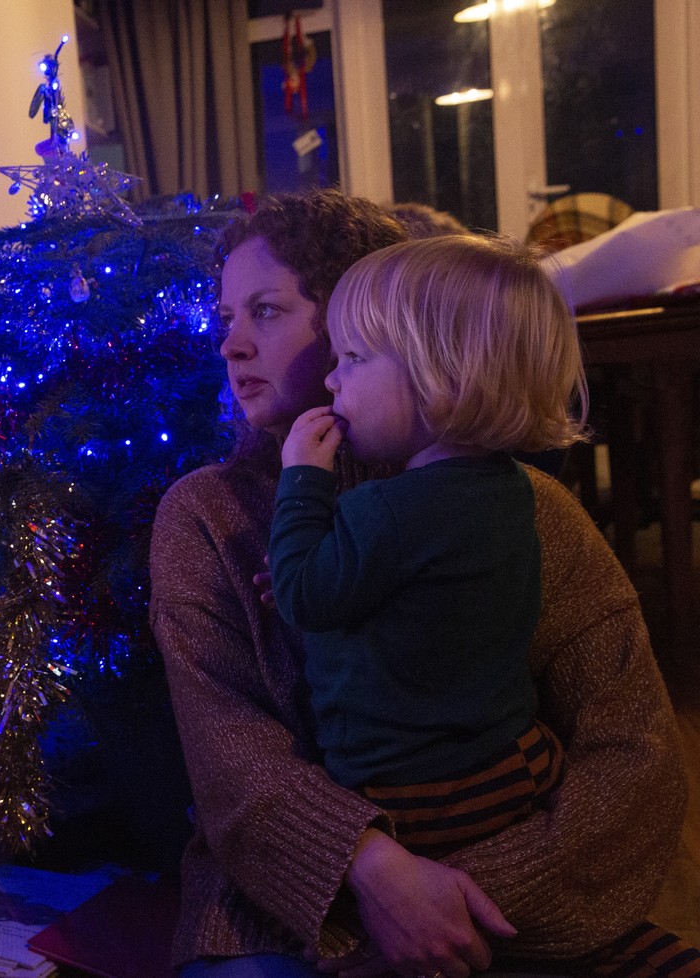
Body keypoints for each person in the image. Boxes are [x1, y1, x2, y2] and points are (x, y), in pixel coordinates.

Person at [149, 189, 690, 978]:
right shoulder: (206, 516)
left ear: (365, 323)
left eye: (264, 310)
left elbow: (635, 750)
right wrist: (375, 877)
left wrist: (460, 901)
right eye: (224, 316)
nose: (230, 344)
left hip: (513, 889)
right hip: (286, 909)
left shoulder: (524, 506)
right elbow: (235, 769)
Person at [267, 235, 587, 863]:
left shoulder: (384, 508)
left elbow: (303, 597)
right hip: (521, 760)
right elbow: (409, 600)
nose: (330, 377)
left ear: (441, 377)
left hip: (412, 797)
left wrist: (302, 480)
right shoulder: (513, 490)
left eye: (353, 357)